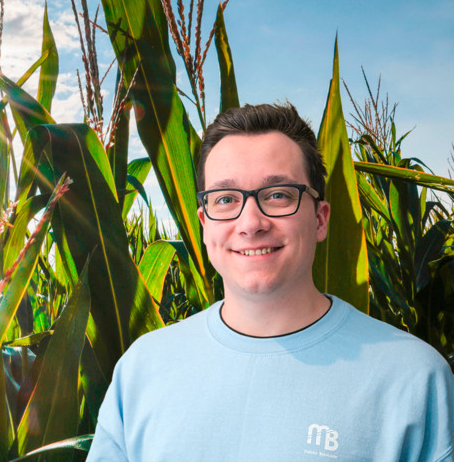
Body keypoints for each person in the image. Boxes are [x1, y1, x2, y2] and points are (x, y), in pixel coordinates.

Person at [87, 102, 454, 461]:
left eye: (278, 195)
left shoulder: (414, 380)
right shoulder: (141, 370)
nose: (251, 223)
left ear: (320, 219)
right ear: (204, 224)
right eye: (226, 199)